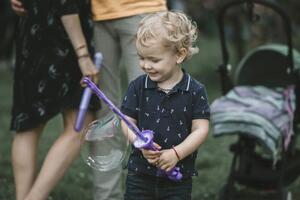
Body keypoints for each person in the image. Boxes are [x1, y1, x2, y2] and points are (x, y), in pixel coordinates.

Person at [10, 0, 100, 199]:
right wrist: (83, 54)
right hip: (66, 35)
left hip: (33, 27)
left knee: (28, 123)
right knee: (80, 123)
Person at [120, 11, 210, 200]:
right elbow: (126, 121)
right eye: (141, 57)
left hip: (178, 179)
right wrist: (138, 142)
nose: (145, 65)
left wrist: (177, 154)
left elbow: (201, 129)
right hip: (140, 176)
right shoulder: (138, 87)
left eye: (154, 60)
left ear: (180, 55)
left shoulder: (195, 90)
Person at [91, 1, 167, 199]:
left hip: (143, 9)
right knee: (104, 115)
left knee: (150, 111)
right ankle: (107, 196)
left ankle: (154, 191)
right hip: (96, 15)